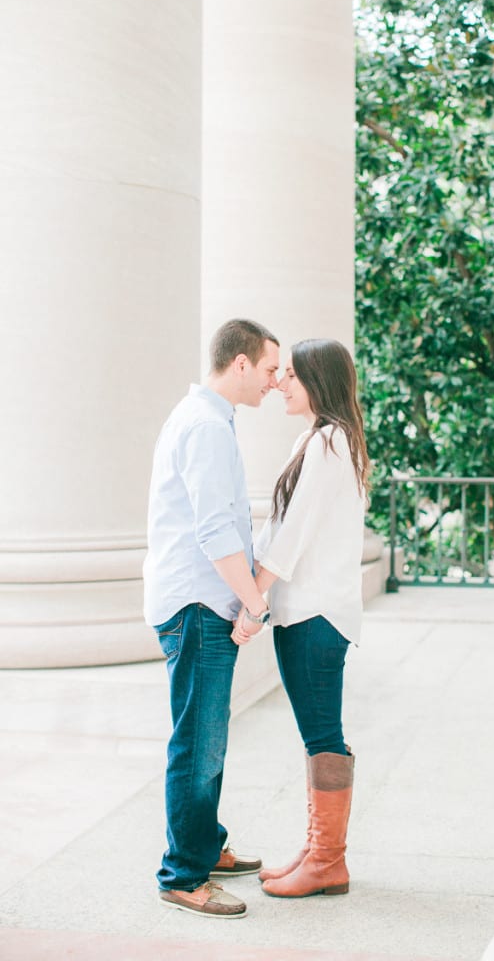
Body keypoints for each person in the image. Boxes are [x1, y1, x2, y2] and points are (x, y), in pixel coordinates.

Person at [143, 318, 280, 919]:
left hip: (200, 602)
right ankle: (182, 875)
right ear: (242, 363)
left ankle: (206, 845)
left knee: (208, 739)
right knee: (198, 745)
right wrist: (254, 600)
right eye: (271, 369)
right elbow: (214, 529)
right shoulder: (204, 426)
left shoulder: (208, 420)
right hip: (198, 606)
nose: (276, 382)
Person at [232, 338, 370, 898]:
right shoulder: (317, 438)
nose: (280, 383)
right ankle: (317, 852)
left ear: (318, 379)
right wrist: (255, 594)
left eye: (291, 374)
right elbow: (277, 527)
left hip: (316, 615)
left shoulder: (331, 443)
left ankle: (327, 861)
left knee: (323, 736)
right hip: (304, 614)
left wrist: (253, 600)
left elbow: (293, 534)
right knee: (317, 737)